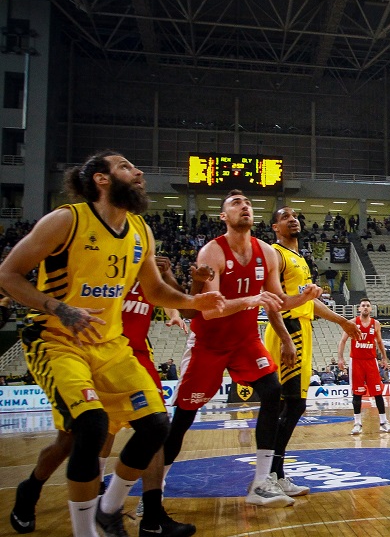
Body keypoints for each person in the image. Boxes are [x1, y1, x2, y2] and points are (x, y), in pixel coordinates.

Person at [0, 151, 224, 537]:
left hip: (110, 345)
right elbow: (8, 274)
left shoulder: (141, 230)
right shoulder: (66, 220)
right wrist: (57, 307)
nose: (138, 171)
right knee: (88, 429)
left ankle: (109, 509)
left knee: (156, 426)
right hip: (57, 341)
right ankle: (81, 527)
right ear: (101, 179)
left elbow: (154, 290)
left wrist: (192, 301)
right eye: (125, 166)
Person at [162, 190, 320, 509]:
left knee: (273, 391)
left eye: (248, 203)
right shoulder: (212, 252)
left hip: (246, 339)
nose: (244, 206)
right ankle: (155, 485)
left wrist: (301, 300)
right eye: (236, 203)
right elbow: (208, 310)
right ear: (224, 217)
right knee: (183, 418)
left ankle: (261, 483)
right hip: (209, 342)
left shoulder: (266, 253)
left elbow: (277, 300)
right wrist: (250, 300)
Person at [264, 207, 363, 495]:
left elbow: (308, 302)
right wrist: (285, 339)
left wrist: (342, 320)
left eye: (294, 215)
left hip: (302, 328)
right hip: (288, 328)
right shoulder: (275, 253)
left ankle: (276, 473)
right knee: (290, 404)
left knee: (292, 404)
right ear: (275, 227)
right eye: (284, 217)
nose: (292, 219)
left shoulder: (301, 260)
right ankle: (270, 474)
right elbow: (275, 301)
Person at [337, 299, 390, 435]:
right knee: (357, 394)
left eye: (368, 306)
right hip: (356, 361)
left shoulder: (376, 324)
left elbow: (380, 342)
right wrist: (340, 358)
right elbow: (343, 340)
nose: (365, 308)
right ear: (359, 309)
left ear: (371, 309)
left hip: (371, 361)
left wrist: (384, 358)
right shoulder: (351, 323)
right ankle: (357, 423)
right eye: (363, 305)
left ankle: (383, 422)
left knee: (377, 392)